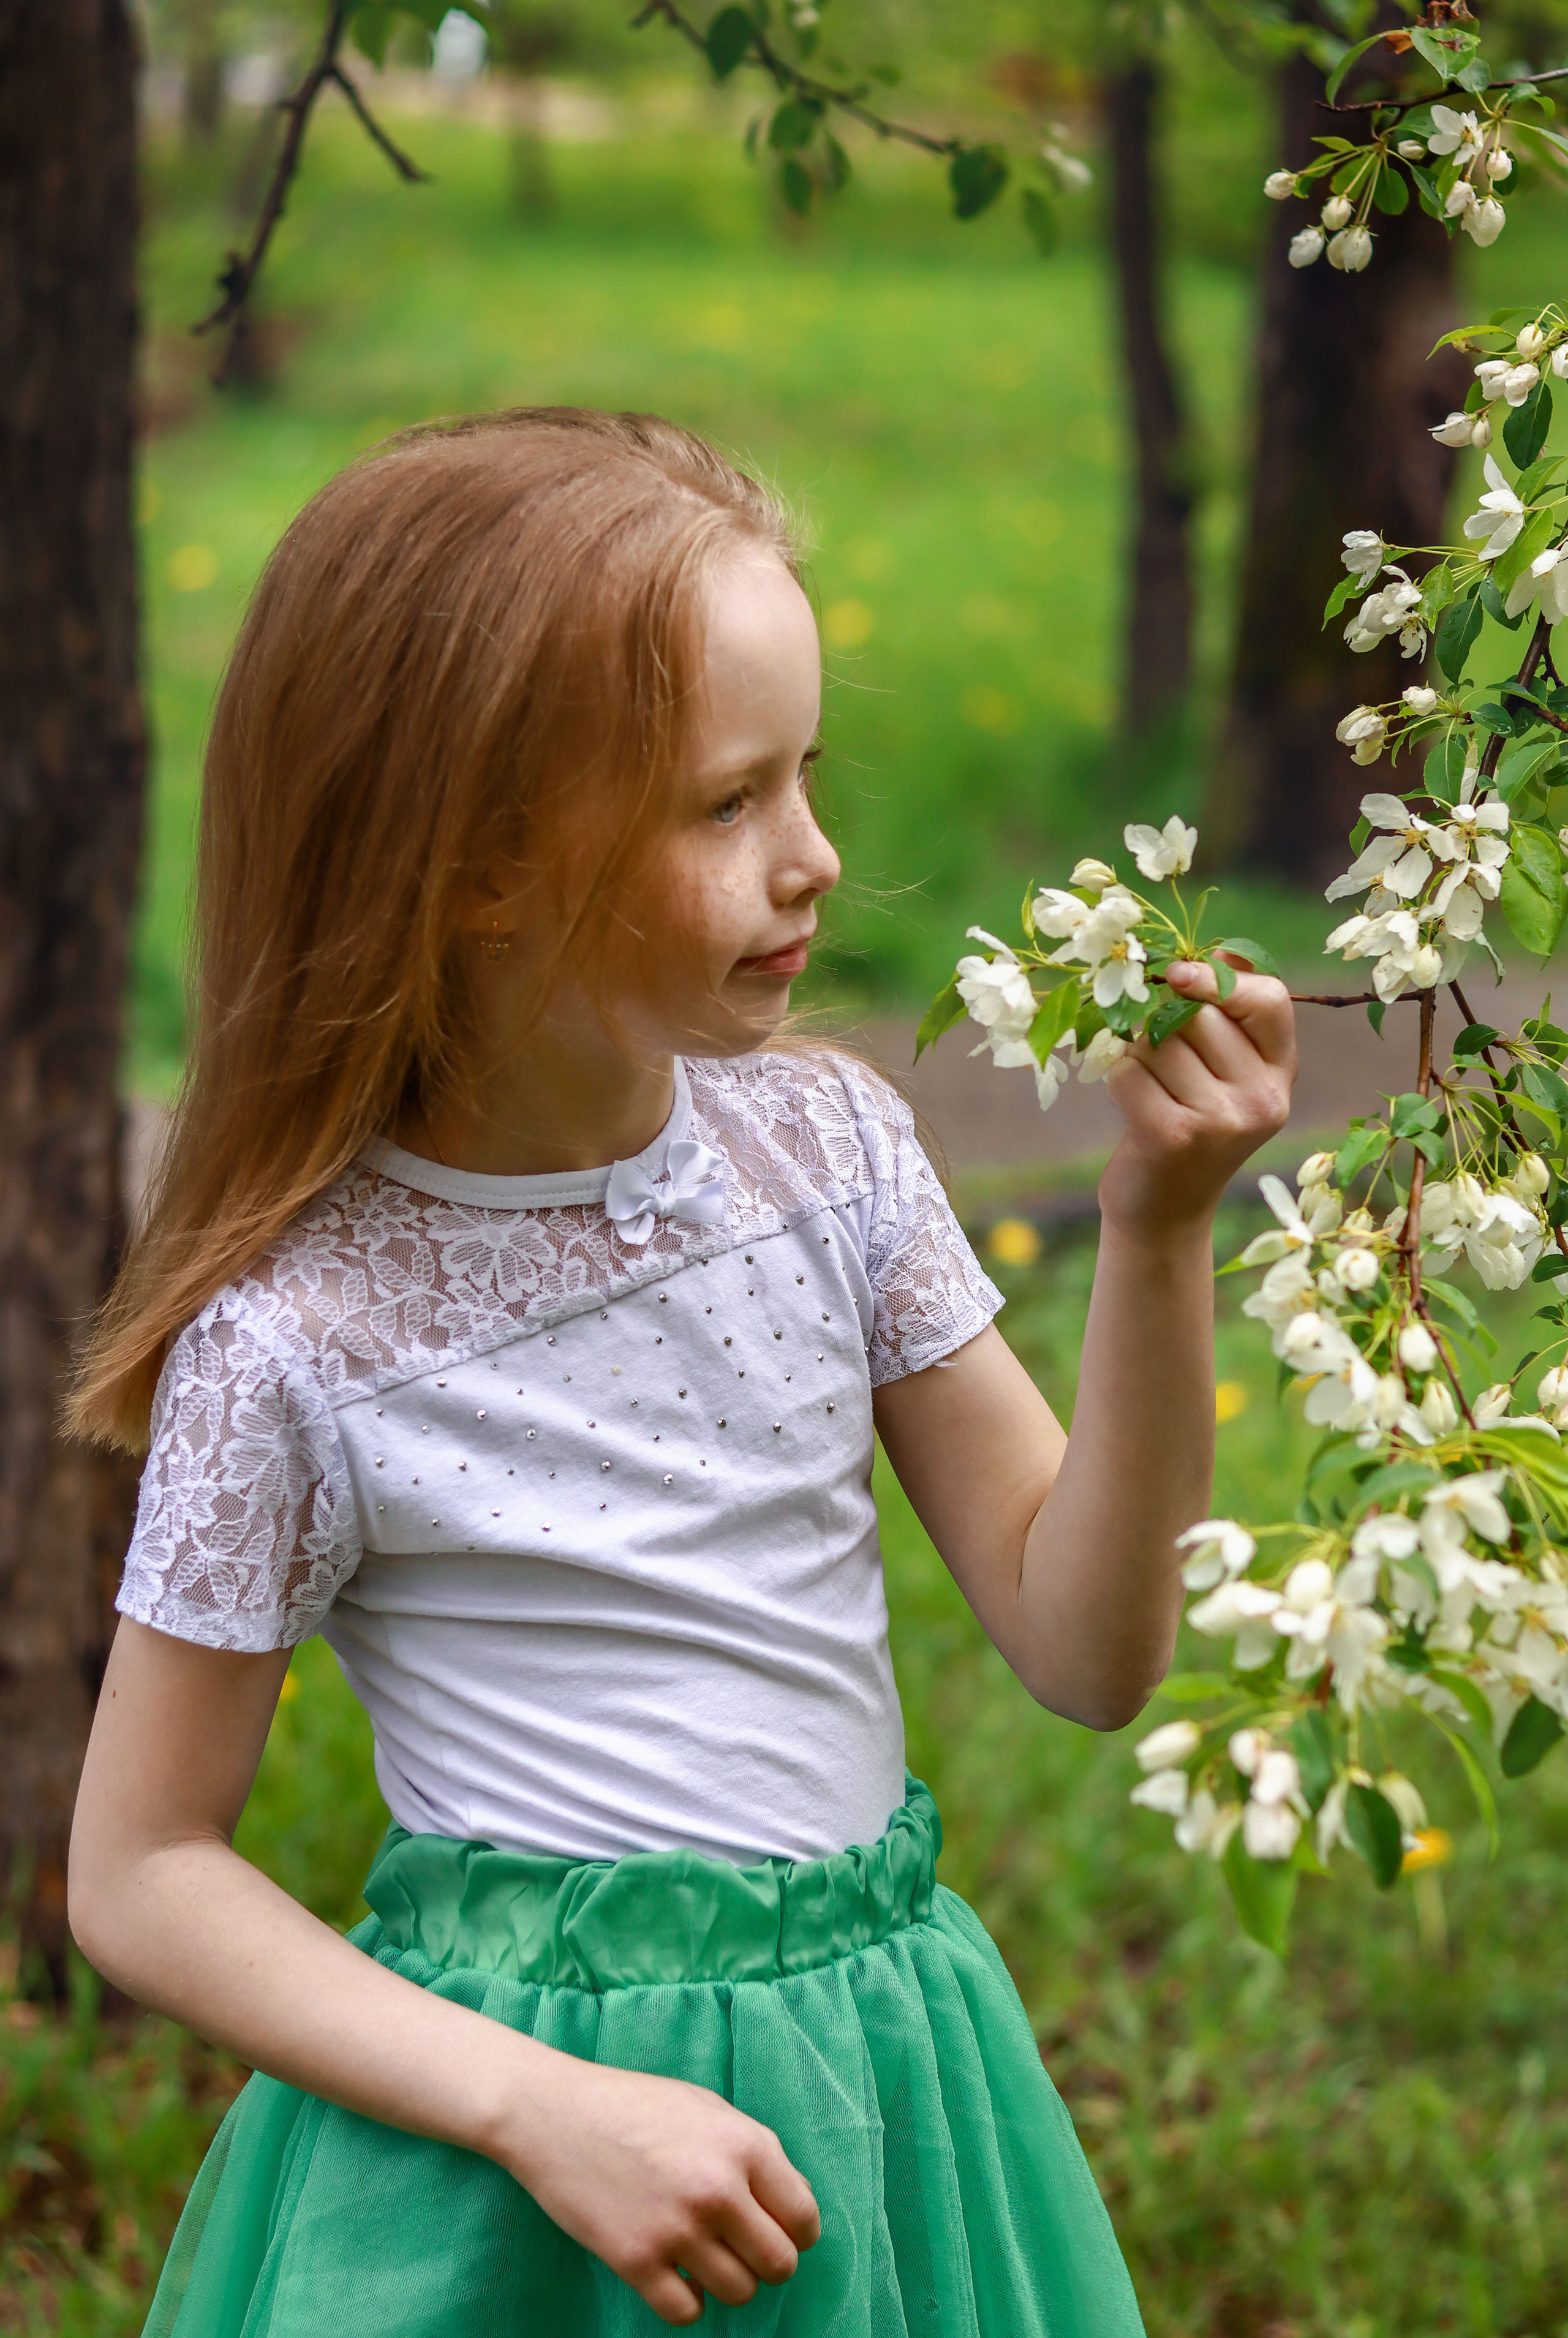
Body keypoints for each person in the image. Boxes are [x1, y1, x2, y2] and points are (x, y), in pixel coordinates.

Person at [66, 408, 1295, 2336]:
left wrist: (1154, 1235)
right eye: (727, 804)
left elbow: (1088, 1642)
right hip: (518, 2163)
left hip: (878, 2075)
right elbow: (138, 1867)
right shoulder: (305, 1335)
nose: (814, 859)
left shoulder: (829, 1154)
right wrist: (540, 2105)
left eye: (805, 778)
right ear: (477, 868)